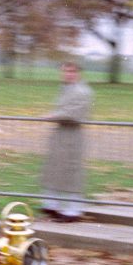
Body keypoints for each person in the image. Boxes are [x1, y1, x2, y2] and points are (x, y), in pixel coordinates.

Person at [40, 61, 93, 223]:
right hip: (60, 134)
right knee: (54, 168)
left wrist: (52, 116)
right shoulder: (66, 89)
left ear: (79, 73)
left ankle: (73, 210)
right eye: (65, 71)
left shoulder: (82, 91)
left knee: (72, 171)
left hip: (72, 135)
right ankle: (51, 204)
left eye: (72, 71)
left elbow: (74, 114)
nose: (68, 74)